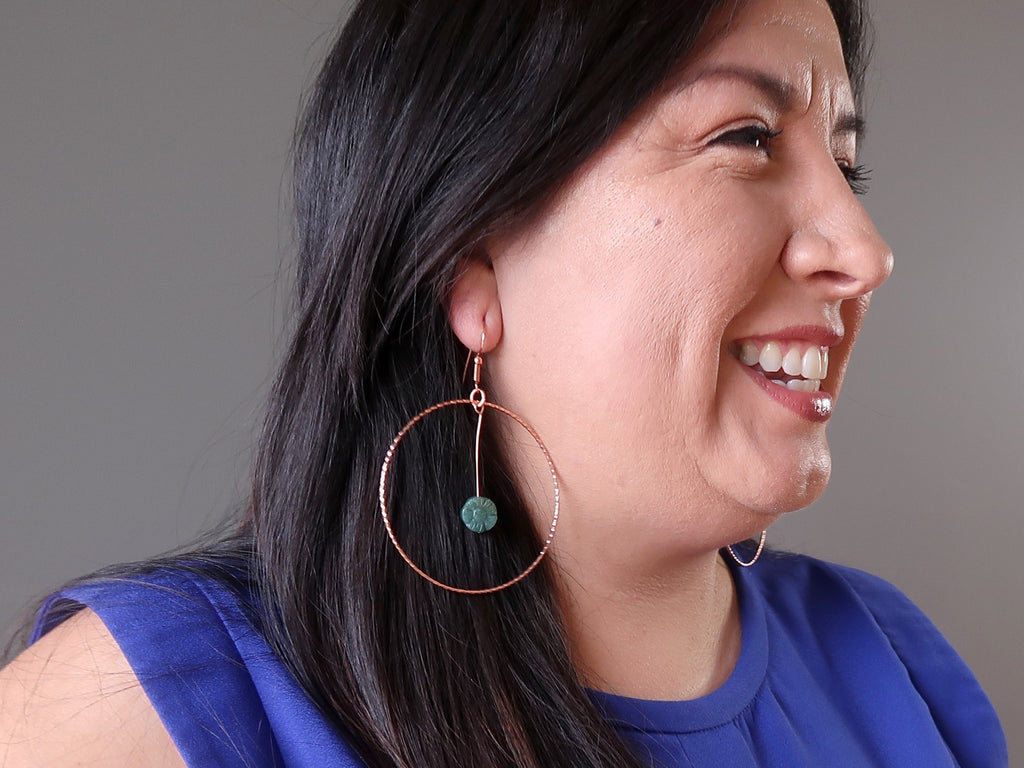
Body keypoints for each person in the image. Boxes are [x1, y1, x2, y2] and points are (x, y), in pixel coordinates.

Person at [0, 0, 1008, 765]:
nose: (863, 251)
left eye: (848, 168)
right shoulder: (145, 708)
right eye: (744, 137)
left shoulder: (888, 662)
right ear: (470, 263)